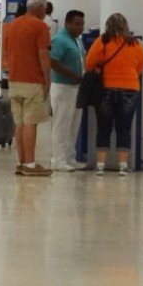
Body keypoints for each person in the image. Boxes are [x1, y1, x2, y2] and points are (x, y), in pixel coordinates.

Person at [85, 13, 143, 176]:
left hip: (106, 88)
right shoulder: (135, 43)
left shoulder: (102, 41)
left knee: (103, 127)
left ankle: (100, 165)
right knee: (124, 128)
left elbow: (89, 63)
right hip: (130, 89)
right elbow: (140, 66)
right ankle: (123, 166)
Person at [4, 0, 52, 177]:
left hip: (14, 79)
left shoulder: (12, 25)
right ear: (40, 8)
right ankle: (30, 164)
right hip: (32, 80)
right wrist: (47, 81)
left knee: (19, 122)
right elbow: (43, 56)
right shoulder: (40, 26)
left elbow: (7, 52)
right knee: (31, 122)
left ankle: (20, 162)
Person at [49, 10, 86, 172]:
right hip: (63, 87)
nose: (80, 27)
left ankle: (70, 157)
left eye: (82, 24)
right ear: (67, 23)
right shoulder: (60, 40)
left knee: (73, 123)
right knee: (62, 124)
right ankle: (58, 159)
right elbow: (53, 61)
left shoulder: (77, 40)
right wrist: (72, 75)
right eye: (77, 24)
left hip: (76, 88)